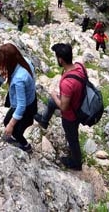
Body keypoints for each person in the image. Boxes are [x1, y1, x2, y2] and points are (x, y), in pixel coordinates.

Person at [34, 43, 86, 171]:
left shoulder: (67, 83)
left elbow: (63, 107)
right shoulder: (80, 67)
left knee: (72, 137)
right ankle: (44, 120)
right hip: (79, 102)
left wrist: (54, 94)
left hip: (71, 115)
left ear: (60, 59)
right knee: (52, 101)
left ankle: (76, 162)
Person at [0, 43, 37, 153]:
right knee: (6, 121)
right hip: (32, 100)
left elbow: (21, 106)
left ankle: (26, 146)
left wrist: (11, 125)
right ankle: (15, 136)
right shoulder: (24, 62)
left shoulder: (19, 79)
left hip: (26, 108)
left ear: (8, 62)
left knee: (15, 131)